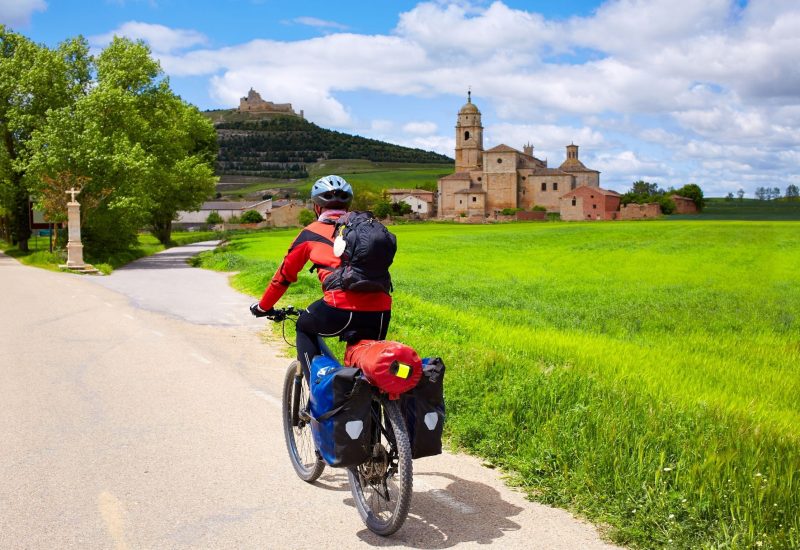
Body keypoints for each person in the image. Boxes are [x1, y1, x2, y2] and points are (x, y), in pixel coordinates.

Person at [249, 175, 391, 375]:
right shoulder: (366, 229)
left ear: (317, 207)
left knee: (304, 326)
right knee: (371, 370)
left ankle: (314, 396)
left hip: (338, 307)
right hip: (380, 309)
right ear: (348, 205)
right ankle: (373, 404)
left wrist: (264, 306)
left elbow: (283, 277)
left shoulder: (310, 233)